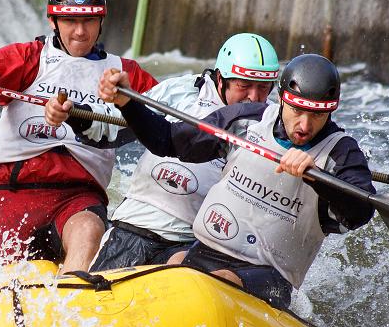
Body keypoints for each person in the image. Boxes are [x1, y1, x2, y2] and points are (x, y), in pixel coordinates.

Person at [97, 53, 375, 308]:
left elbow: (359, 213)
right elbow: (169, 140)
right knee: (178, 263)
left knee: (220, 279)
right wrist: (128, 104)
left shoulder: (342, 152)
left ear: (331, 111)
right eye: (297, 111)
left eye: (316, 115)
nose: (304, 125)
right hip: (203, 253)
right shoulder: (246, 121)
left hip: (267, 277)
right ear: (282, 100)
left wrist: (319, 179)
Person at [0, 0, 157, 272]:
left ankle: (72, 303)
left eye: (89, 22)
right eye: (70, 21)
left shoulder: (125, 74)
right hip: (16, 192)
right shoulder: (28, 57)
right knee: (4, 279)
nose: (81, 32)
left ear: (101, 21)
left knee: (88, 230)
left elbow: (166, 117)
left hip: (79, 196)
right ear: (53, 21)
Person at [84, 33, 280, 270]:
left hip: (192, 242)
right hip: (135, 224)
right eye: (244, 86)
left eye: (263, 88)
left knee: (181, 267)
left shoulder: (273, 125)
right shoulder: (181, 91)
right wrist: (75, 115)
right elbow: (109, 130)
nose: (254, 98)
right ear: (221, 78)